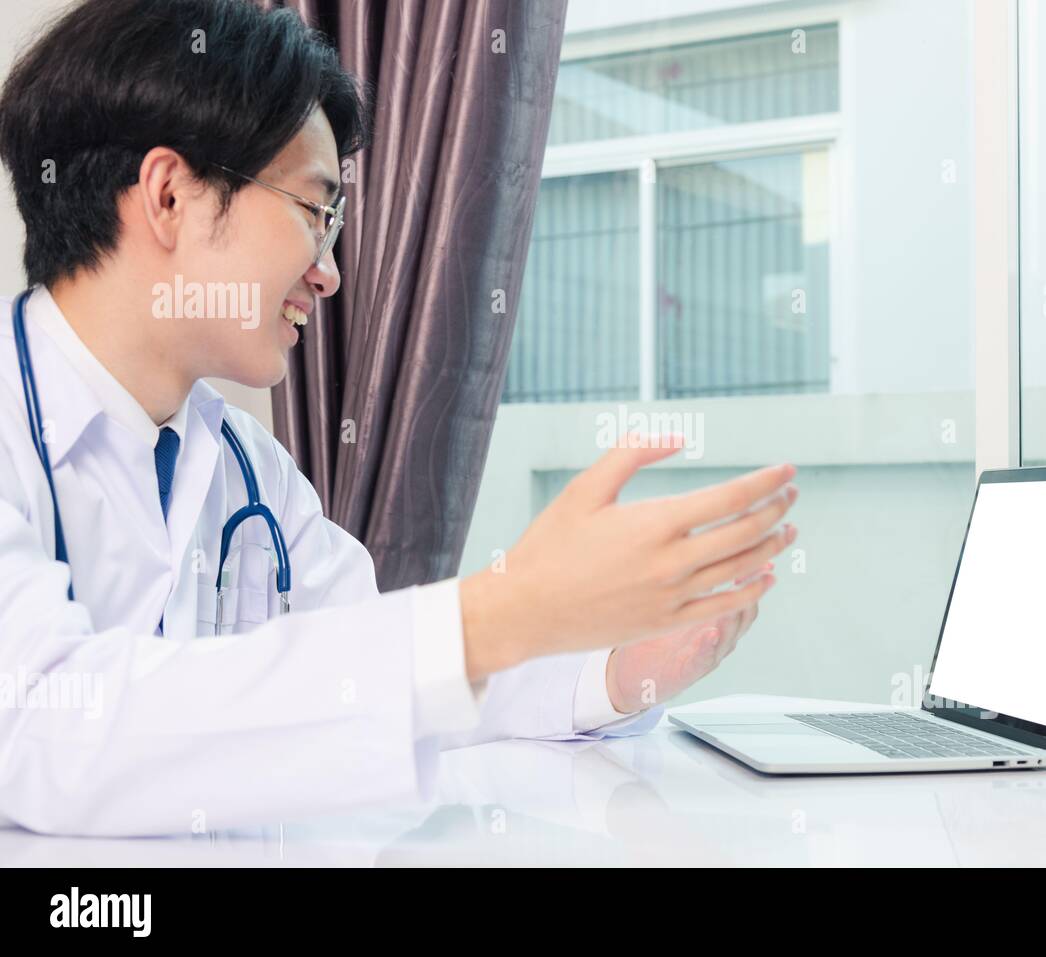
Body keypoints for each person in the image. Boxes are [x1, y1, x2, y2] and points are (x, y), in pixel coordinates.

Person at [0, 0, 799, 837]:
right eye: (314, 211)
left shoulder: (241, 462)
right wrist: (511, 606)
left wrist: (618, 667)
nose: (330, 273)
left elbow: (378, 666)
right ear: (169, 195)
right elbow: (50, 726)